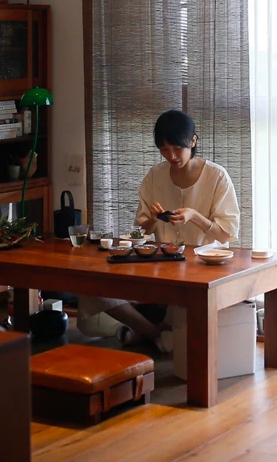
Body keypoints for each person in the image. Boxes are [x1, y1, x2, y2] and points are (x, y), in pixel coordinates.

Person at [78, 110, 240, 350]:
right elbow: (141, 229)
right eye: (164, 149)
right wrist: (153, 219)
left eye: (177, 148)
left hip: (202, 266)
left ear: (193, 141)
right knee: (92, 287)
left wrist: (195, 216)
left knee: (185, 304)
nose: (171, 156)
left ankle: (149, 334)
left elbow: (226, 233)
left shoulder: (216, 176)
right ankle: (154, 333)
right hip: (161, 264)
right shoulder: (156, 175)